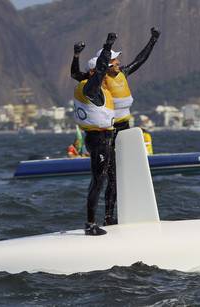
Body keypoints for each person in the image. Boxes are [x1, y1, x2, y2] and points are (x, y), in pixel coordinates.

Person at [71, 27, 160, 225]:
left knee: (117, 176)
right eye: (113, 61)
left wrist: (152, 40)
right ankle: (100, 219)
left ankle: (112, 216)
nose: (118, 63)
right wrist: (78, 55)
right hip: (107, 132)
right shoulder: (96, 82)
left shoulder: (121, 73)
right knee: (107, 176)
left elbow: (140, 60)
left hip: (123, 128)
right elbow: (77, 73)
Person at [73, 32, 117, 235]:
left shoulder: (93, 86)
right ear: (93, 73)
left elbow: (76, 73)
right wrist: (107, 47)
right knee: (98, 180)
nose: (106, 73)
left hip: (105, 139)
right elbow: (98, 71)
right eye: (104, 70)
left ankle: (108, 217)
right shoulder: (89, 89)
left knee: (108, 178)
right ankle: (90, 224)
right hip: (98, 140)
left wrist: (75, 56)